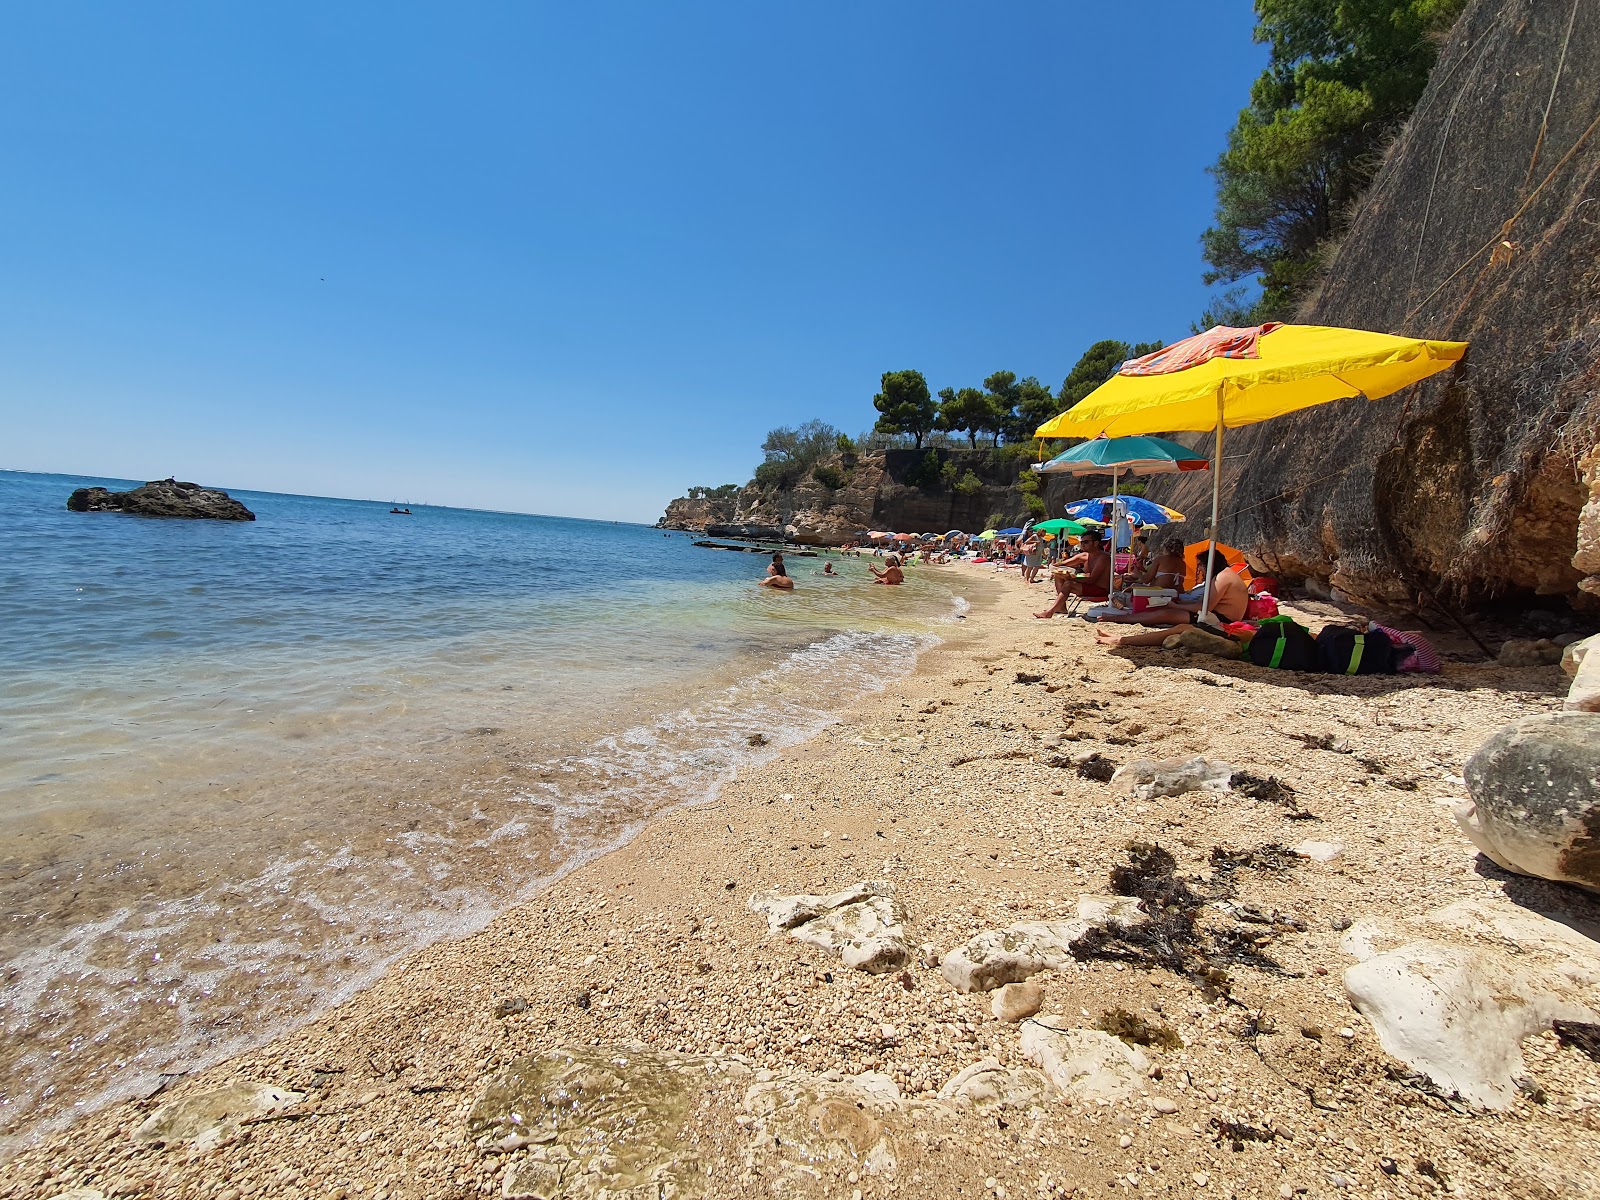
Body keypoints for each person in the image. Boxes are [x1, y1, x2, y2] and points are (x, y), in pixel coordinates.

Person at [1093, 548, 1248, 643]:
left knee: (1165, 614)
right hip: (1220, 618)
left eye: (1200, 565)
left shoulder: (1222, 577)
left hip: (1222, 622)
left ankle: (1120, 633)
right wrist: (1179, 604)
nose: (1200, 569)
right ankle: (1120, 633)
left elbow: (1205, 607)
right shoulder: (1225, 575)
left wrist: (1176, 605)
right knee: (1164, 613)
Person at [1034, 531, 1111, 618]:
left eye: (1086, 542)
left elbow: (1092, 579)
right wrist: (1054, 568)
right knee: (1058, 576)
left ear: (1096, 543)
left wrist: (1071, 578)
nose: (1082, 544)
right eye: (1081, 542)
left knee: (1069, 584)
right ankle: (1061, 607)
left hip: (1101, 589)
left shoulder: (1103, 557)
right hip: (1090, 586)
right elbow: (1062, 564)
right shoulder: (1085, 556)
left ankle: (1050, 612)